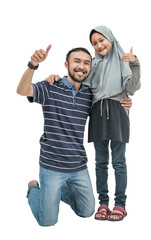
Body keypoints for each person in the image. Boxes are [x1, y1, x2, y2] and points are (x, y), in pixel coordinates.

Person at [46, 26, 141, 221]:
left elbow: (132, 86)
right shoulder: (93, 65)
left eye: (101, 40)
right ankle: (103, 203)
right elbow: (78, 82)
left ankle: (120, 204)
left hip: (117, 111)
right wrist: (55, 77)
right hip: (96, 113)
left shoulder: (122, 60)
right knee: (100, 162)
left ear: (111, 39)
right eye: (94, 43)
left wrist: (135, 65)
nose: (98, 45)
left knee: (119, 162)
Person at [16, 45, 95, 227]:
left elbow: (108, 105)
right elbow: (22, 90)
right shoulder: (50, 87)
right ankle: (34, 189)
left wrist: (127, 102)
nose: (81, 66)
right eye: (77, 61)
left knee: (87, 211)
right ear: (66, 64)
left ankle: (55, 192)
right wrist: (33, 65)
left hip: (78, 165)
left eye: (86, 63)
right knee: (47, 222)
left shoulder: (90, 94)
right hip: (51, 165)